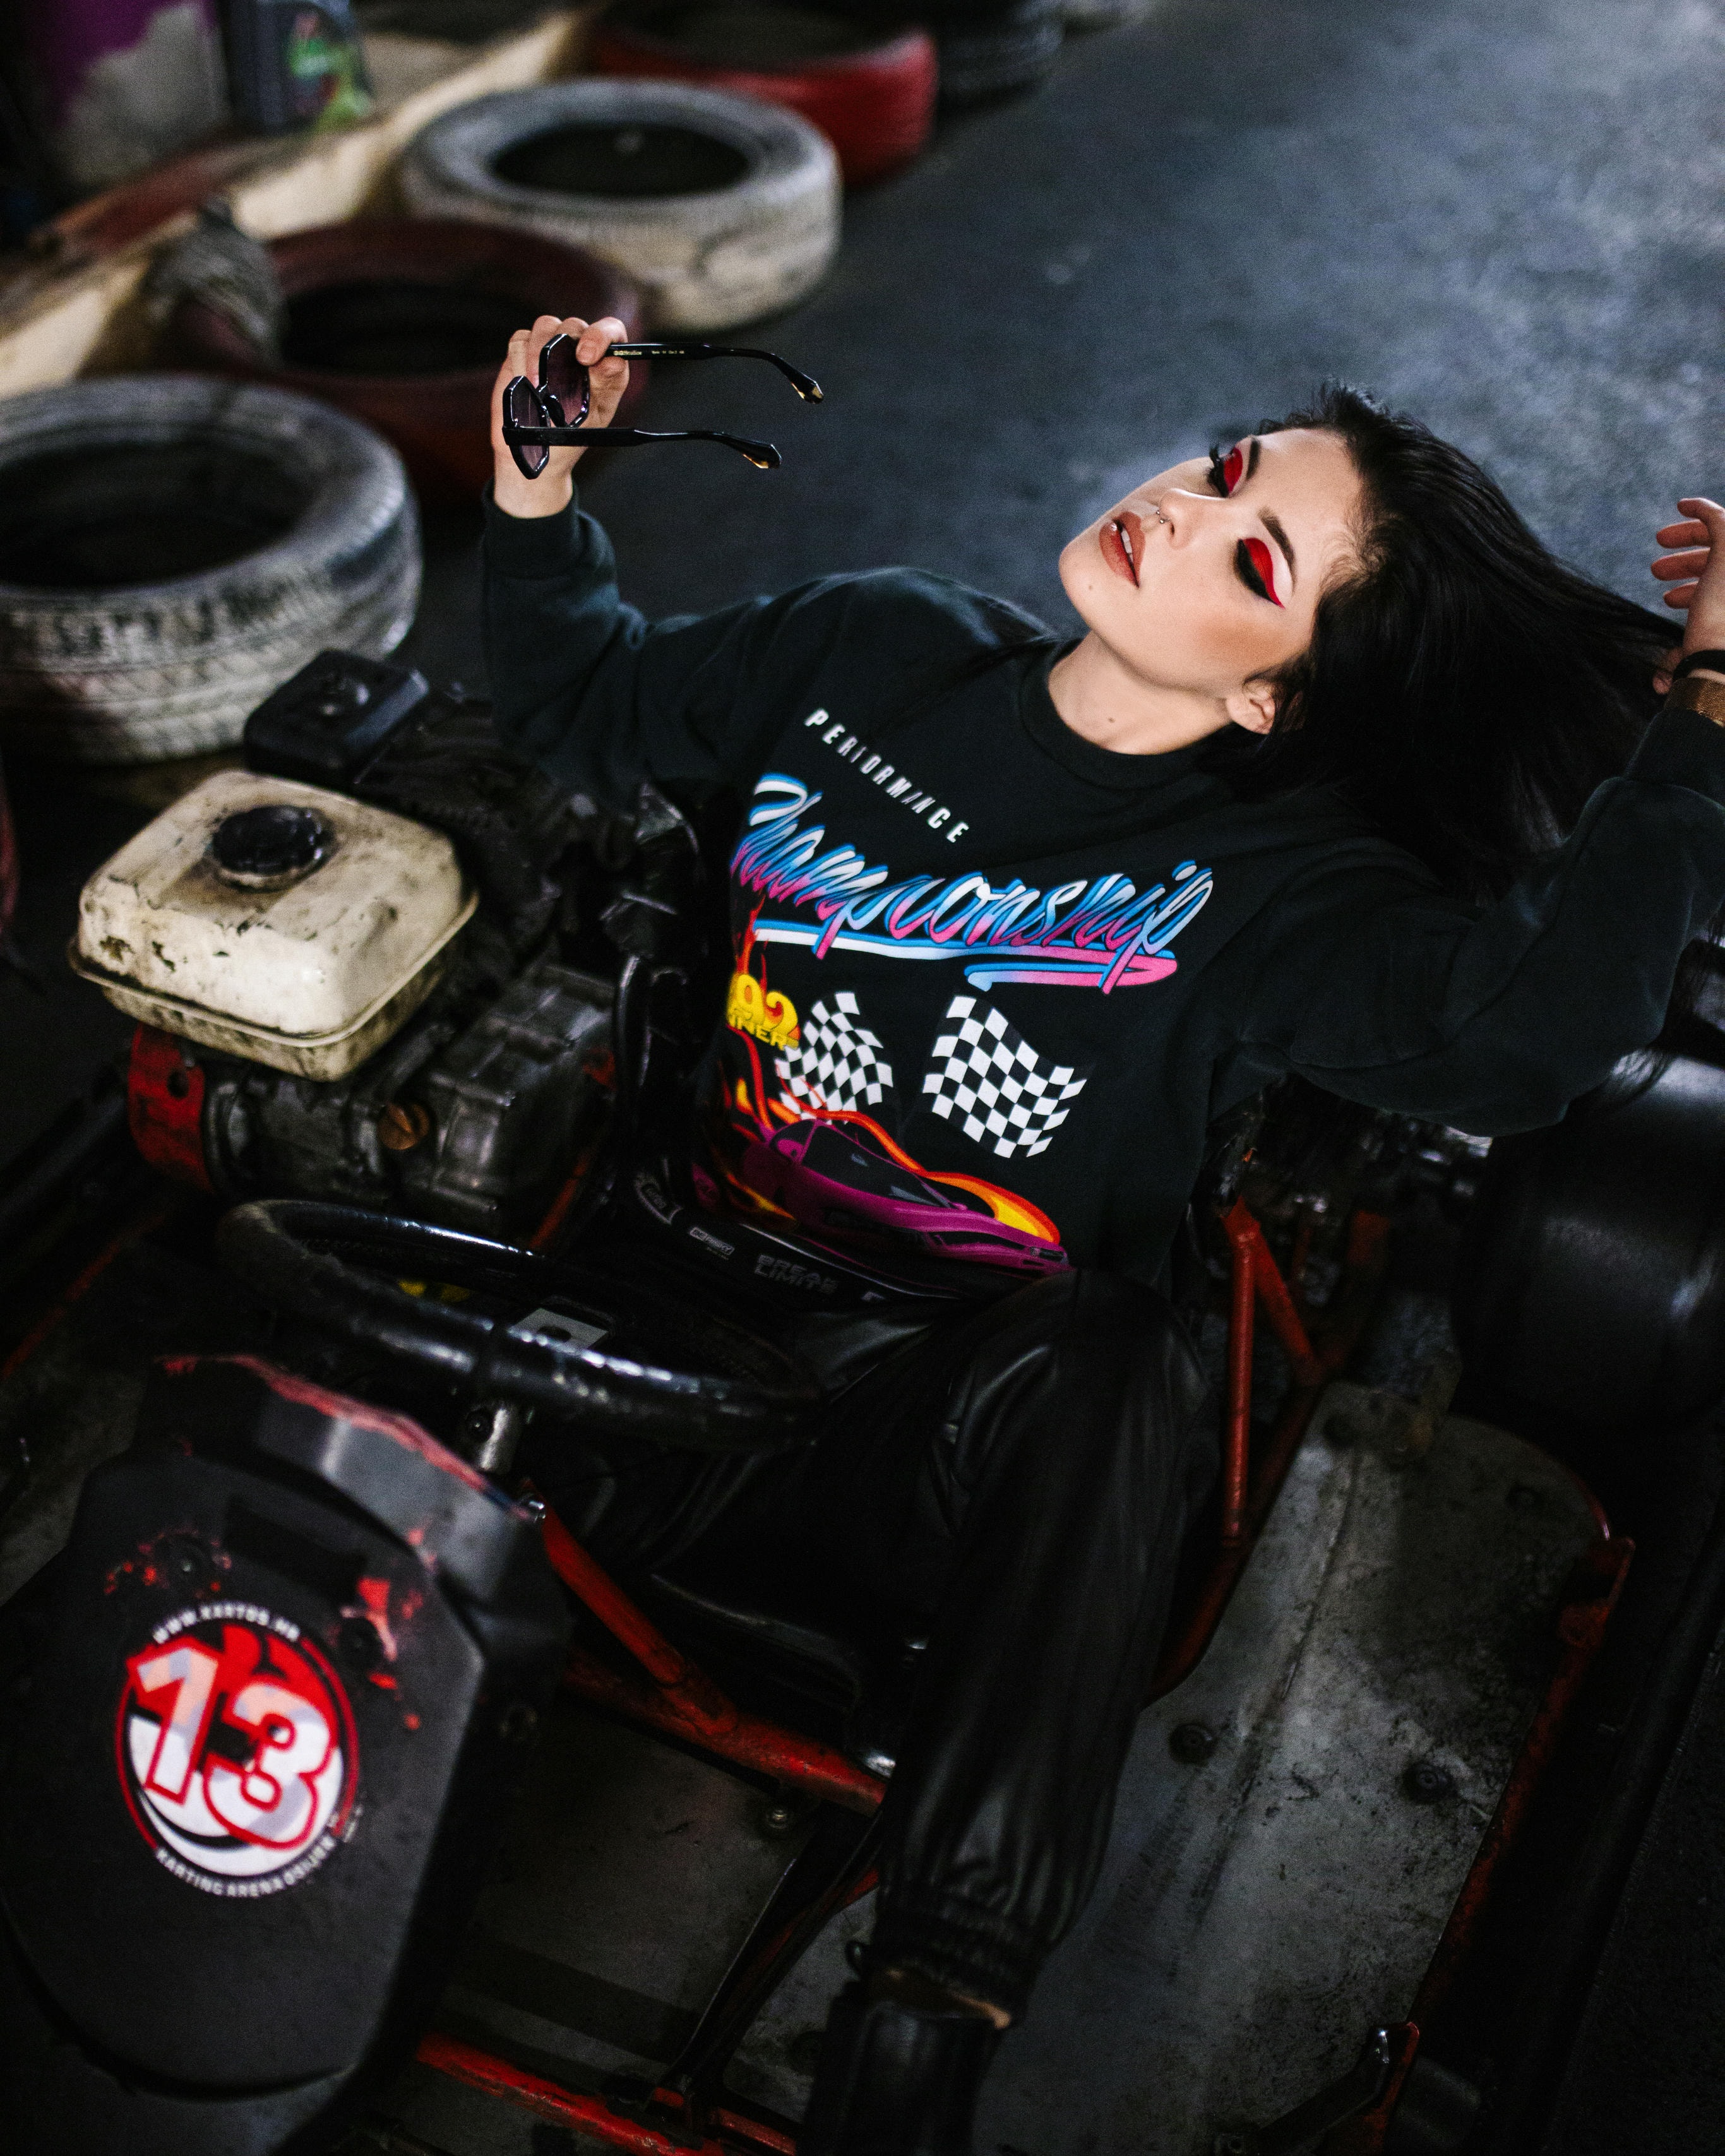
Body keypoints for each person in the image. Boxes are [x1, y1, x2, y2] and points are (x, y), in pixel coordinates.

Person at [483, 314, 1725, 2155]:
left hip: (925, 1444)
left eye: (1254, 560)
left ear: (1273, 700)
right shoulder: (872, 649)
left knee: (1123, 1356)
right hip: (632, 1337)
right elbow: (585, 703)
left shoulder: (1278, 887)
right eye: (1223, 471)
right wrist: (537, 496)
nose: (1181, 507)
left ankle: (922, 2029)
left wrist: (1701, 724)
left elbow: (1525, 1037)